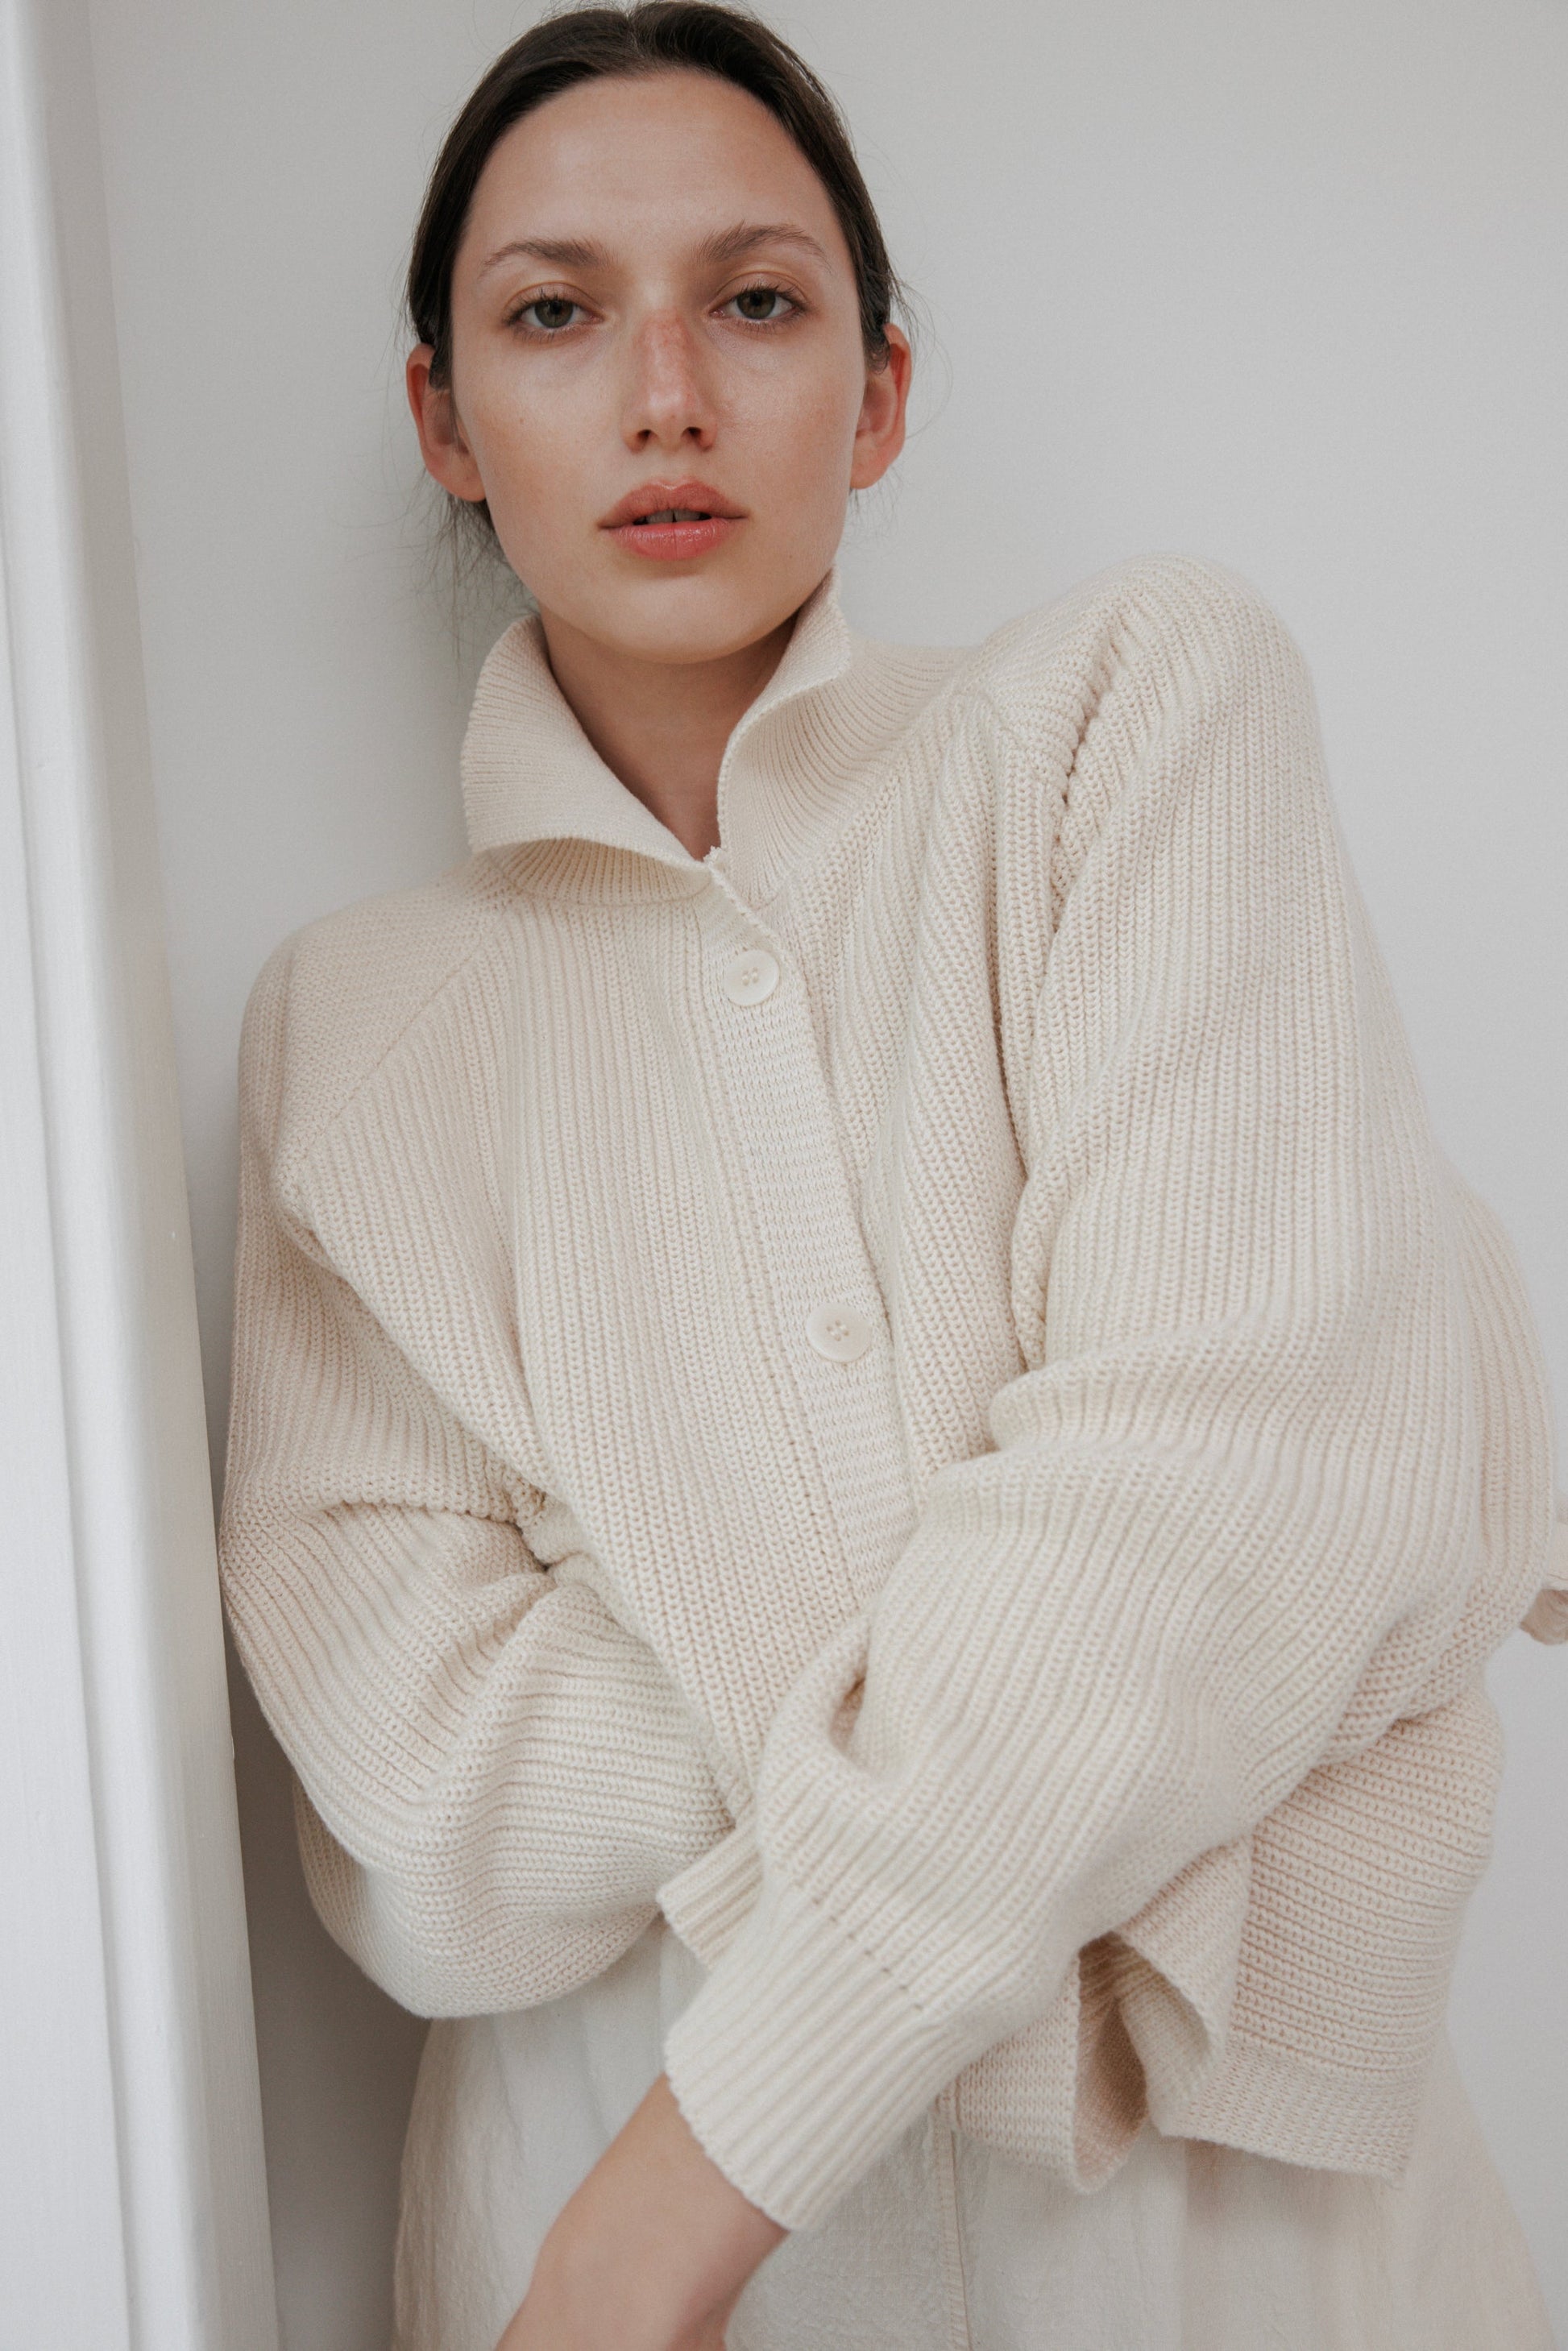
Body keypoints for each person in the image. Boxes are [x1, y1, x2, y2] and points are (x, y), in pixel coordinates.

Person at [217, 7, 1568, 2347]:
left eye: (756, 302)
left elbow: (1228, 1498)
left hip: (1181, 2257)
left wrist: (678, 2191)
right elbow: (423, 1837)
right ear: (442, 411)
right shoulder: (353, 1030)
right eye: (553, 314)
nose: (664, 394)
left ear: (879, 391)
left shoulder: (1131, 715)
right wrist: (1096, 1589)